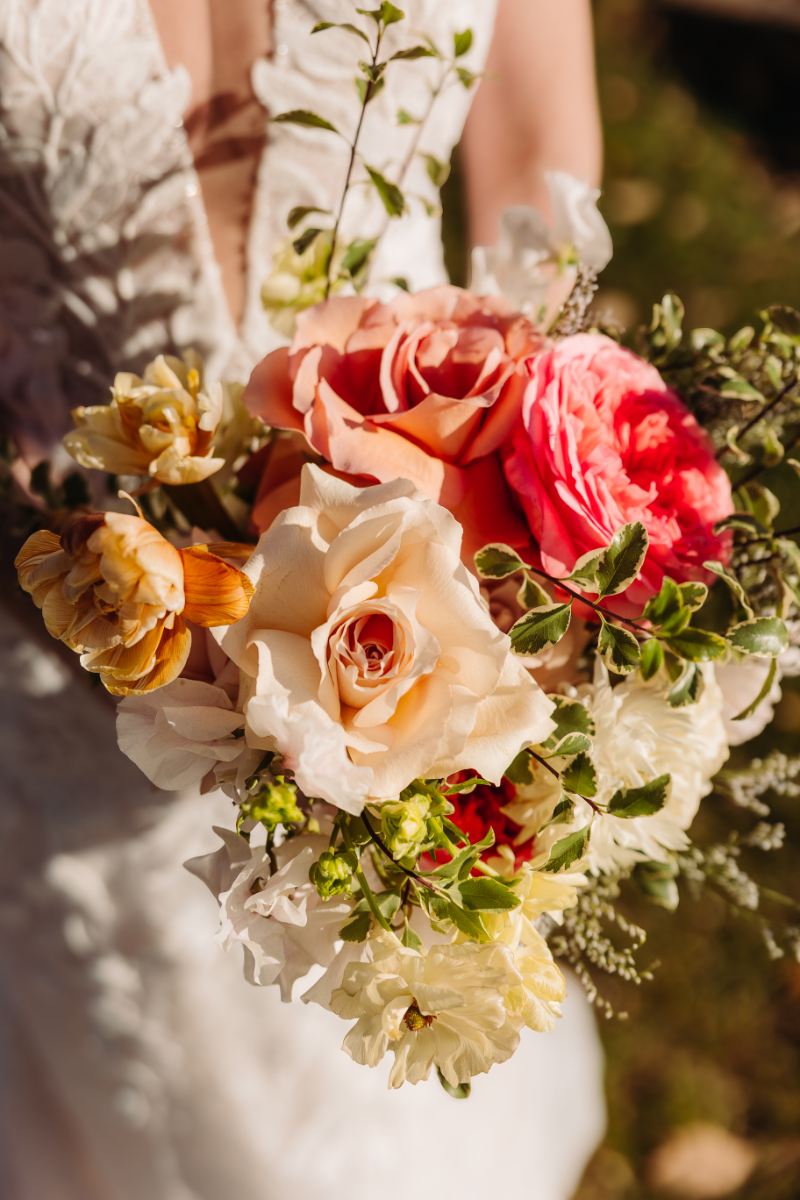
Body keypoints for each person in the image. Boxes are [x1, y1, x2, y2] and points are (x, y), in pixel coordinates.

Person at [0, 3, 606, 1196]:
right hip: (70, 621)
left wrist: (513, 503)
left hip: (435, 597)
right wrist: (66, 561)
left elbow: (539, 164)